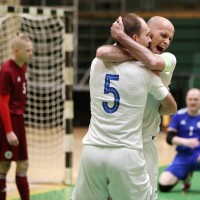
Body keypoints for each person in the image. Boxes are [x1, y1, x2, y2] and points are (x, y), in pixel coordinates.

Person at [71, 13, 177, 200]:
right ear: (148, 34)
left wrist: (121, 38)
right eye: (162, 35)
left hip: (142, 142)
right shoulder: (142, 70)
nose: (167, 41)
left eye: (170, 38)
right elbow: (102, 52)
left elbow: (151, 61)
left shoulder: (168, 58)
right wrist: (129, 43)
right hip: (128, 146)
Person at [0, 33, 33, 200]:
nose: (31, 53)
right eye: (27, 50)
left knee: (23, 164)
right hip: (9, 122)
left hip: (19, 121)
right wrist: (8, 131)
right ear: (15, 50)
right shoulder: (6, 71)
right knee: (3, 166)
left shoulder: (24, 66)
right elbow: (3, 103)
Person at [159, 88, 200, 192]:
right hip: (183, 157)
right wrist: (185, 142)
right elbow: (169, 138)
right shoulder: (179, 115)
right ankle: (186, 176)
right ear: (186, 99)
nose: (192, 102)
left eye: (196, 99)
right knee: (163, 185)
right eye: (190, 99)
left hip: (198, 155)